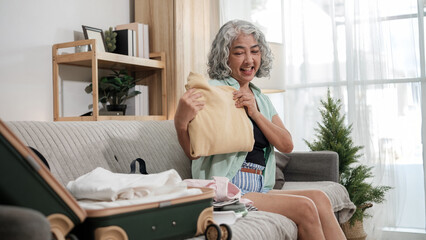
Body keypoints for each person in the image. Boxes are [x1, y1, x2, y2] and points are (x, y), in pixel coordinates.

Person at [174, 19, 346, 240]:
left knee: (320, 198)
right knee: (305, 207)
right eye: (239, 53)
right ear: (224, 56)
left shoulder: (261, 100)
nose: (249, 60)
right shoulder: (213, 92)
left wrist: (255, 112)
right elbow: (194, 151)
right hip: (229, 189)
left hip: (258, 187)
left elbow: (286, 144)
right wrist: (181, 122)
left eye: (255, 51)